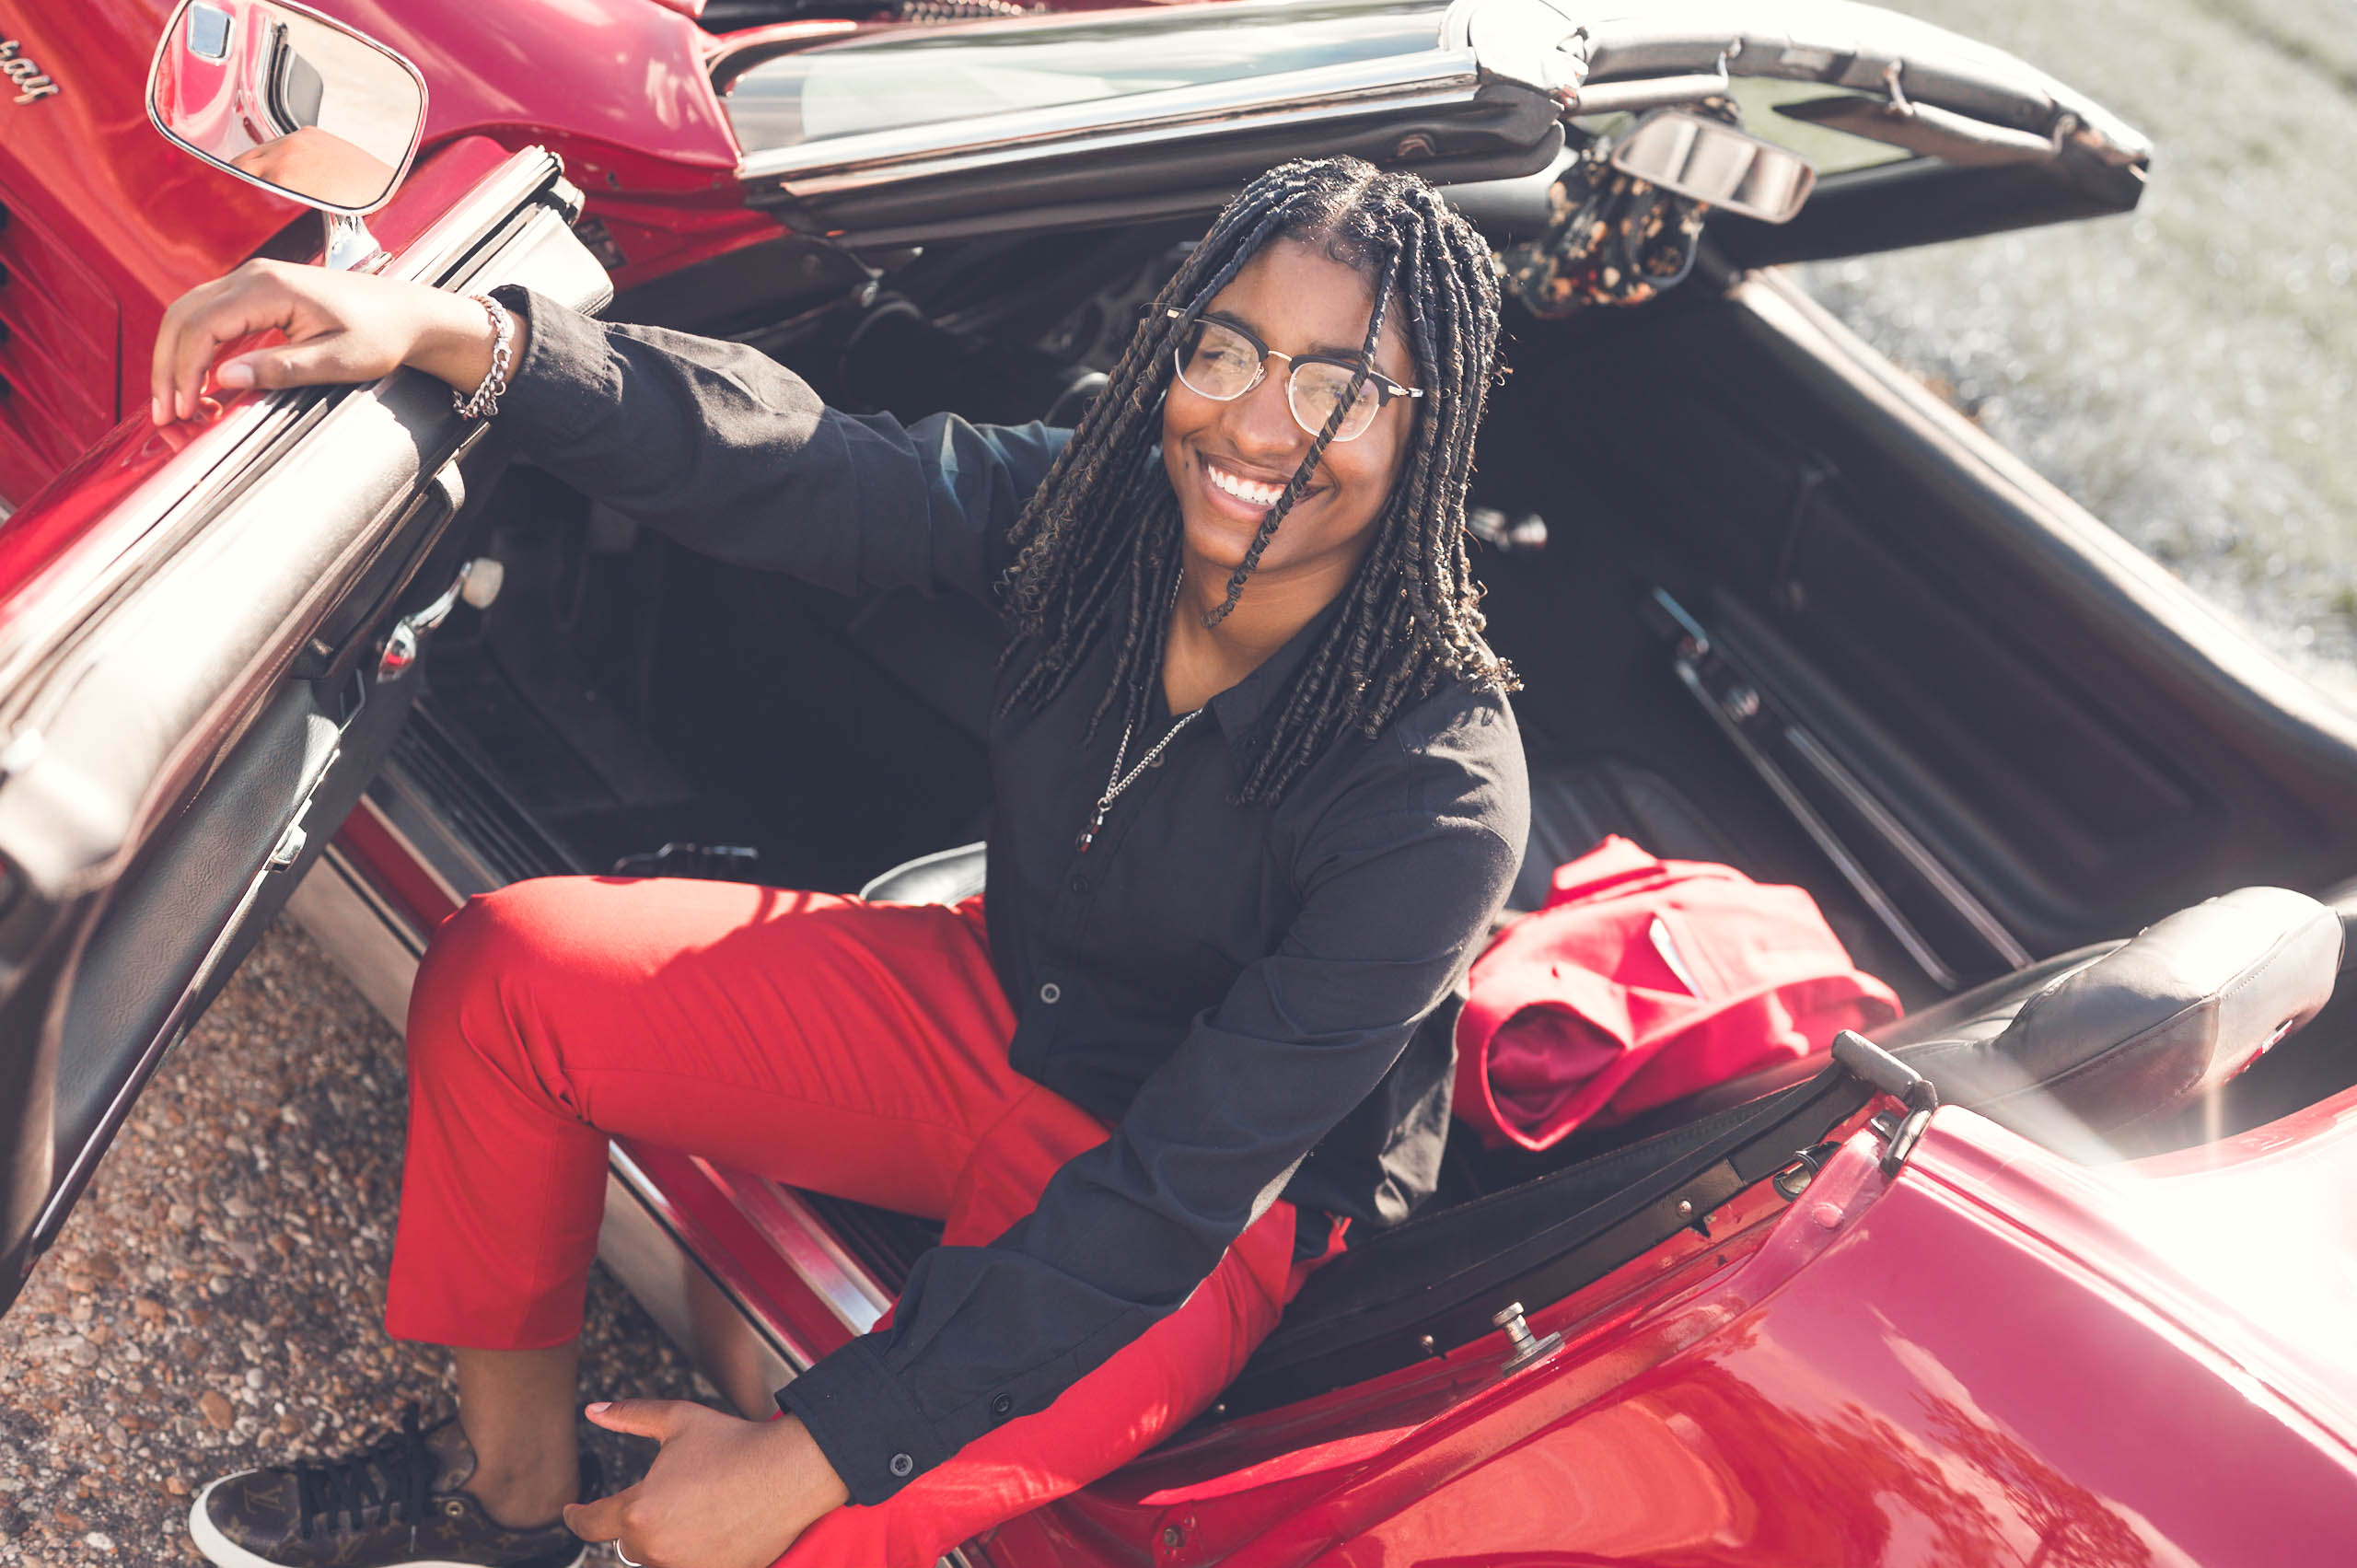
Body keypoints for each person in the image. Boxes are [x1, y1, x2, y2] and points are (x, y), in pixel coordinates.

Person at [149, 155, 1529, 1568]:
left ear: (1430, 431)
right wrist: (466, 336)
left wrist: (813, 1453)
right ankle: (514, 1500)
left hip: (1206, 1208)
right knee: (511, 979)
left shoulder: (1443, 796)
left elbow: (1177, 1192)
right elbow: (808, 462)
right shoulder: (1102, 519)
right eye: (1226, 350)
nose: (1254, 420)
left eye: (1337, 387)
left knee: (833, 1521)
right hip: (1005, 1004)